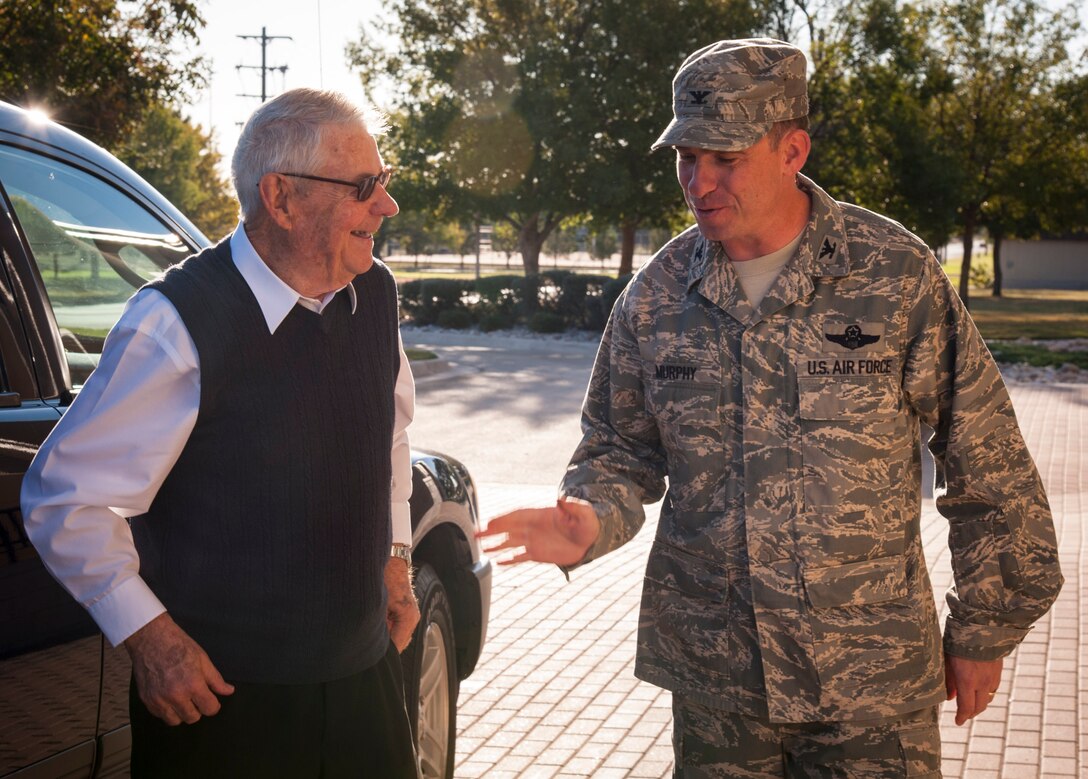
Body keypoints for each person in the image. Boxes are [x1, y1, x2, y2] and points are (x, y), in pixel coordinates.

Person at [480, 39, 1063, 777]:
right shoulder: (655, 297)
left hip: (869, 685)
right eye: (687, 156)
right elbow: (617, 453)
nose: (700, 181)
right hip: (719, 688)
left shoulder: (893, 274)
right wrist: (590, 518)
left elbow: (985, 453)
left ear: (793, 149)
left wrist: (985, 626)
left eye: (726, 156)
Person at [22, 88, 421, 778]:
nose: (384, 206)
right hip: (223, 712)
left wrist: (393, 557)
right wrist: (149, 639)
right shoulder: (175, 322)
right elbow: (63, 499)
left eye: (382, 182)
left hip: (365, 688)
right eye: (364, 187)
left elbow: (388, 437)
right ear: (282, 197)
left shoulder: (374, 293)